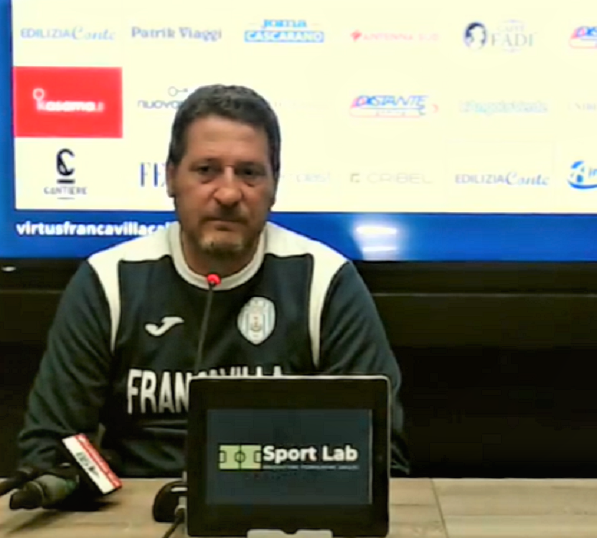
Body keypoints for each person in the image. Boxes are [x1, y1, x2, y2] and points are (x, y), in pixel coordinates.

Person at [17, 84, 410, 477]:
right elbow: (49, 449)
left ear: (274, 185)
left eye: (249, 173)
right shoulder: (109, 281)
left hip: (286, 502)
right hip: (139, 502)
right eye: (206, 170)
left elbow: (379, 456)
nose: (228, 193)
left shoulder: (325, 281)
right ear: (171, 178)